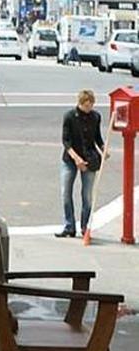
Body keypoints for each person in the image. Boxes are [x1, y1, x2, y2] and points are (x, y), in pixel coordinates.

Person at [56, 88, 106, 238]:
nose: (89, 108)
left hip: (89, 159)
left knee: (87, 196)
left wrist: (104, 149)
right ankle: (69, 226)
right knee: (66, 192)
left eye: (91, 105)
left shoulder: (96, 117)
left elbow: (97, 137)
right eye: (86, 105)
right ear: (80, 103)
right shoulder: (70, 116)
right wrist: (77, 159)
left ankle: (85, 227)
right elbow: (66, 141)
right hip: (71, 159)